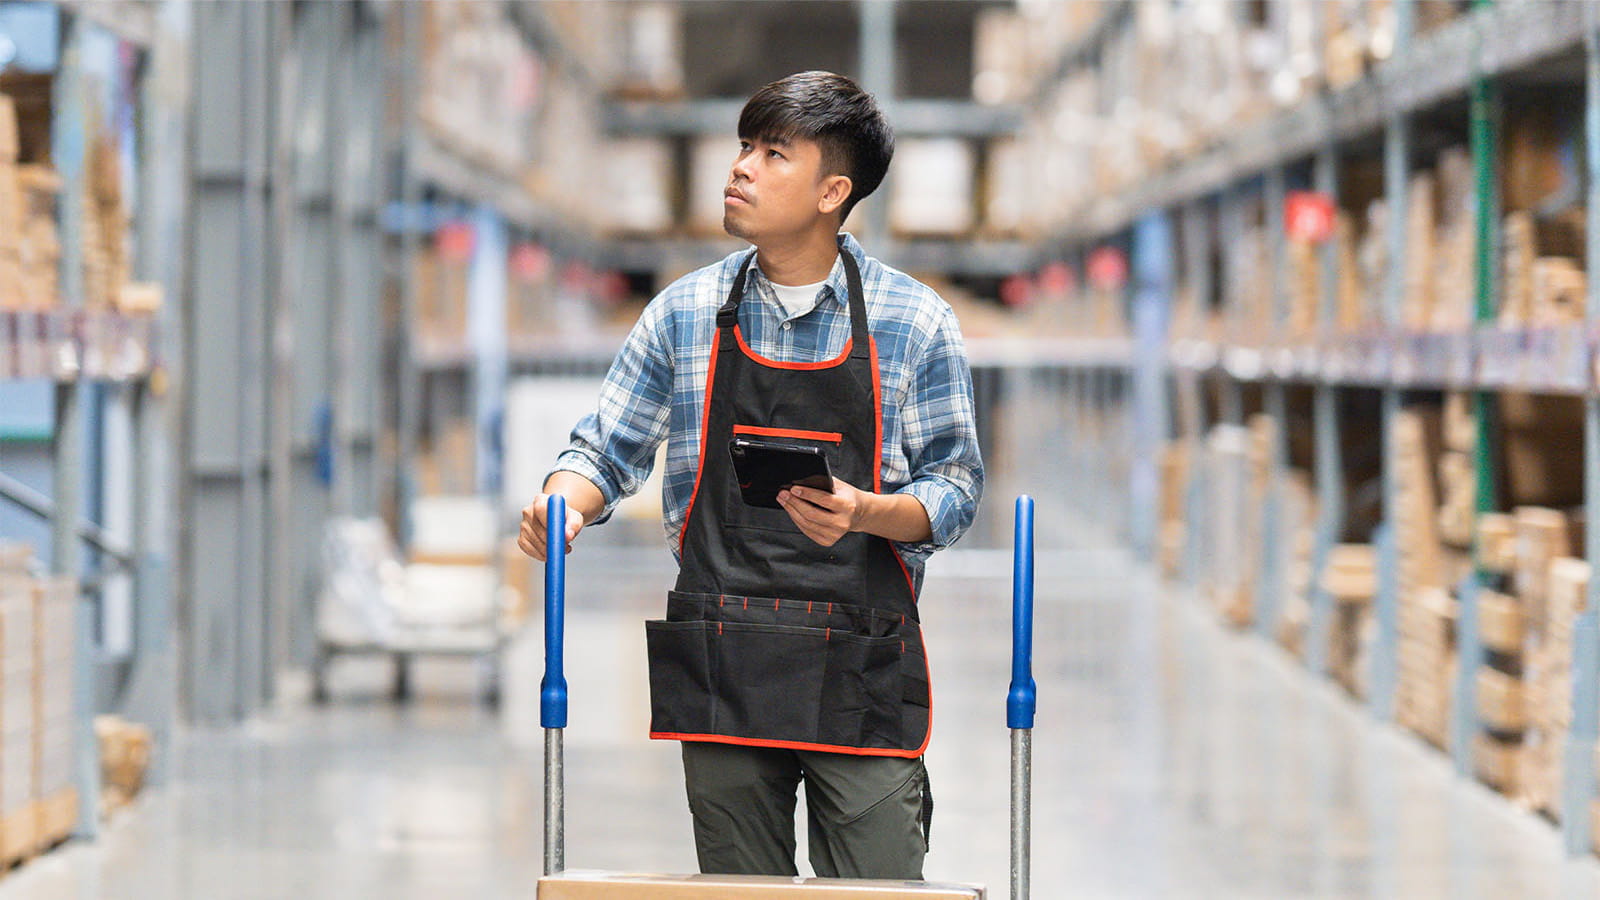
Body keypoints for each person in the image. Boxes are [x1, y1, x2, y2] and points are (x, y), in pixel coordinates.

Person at [519, 70, 983, 881]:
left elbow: (954, 486)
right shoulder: (685, 312)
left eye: (773, 153)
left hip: (860, 669)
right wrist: (563, 504)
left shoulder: (914, 322)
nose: (740, 168)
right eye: (743, 148)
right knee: (740, 896)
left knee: (878, 894)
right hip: (725, 661)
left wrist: (866, 512)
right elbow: (605, 449)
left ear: (833, 191)